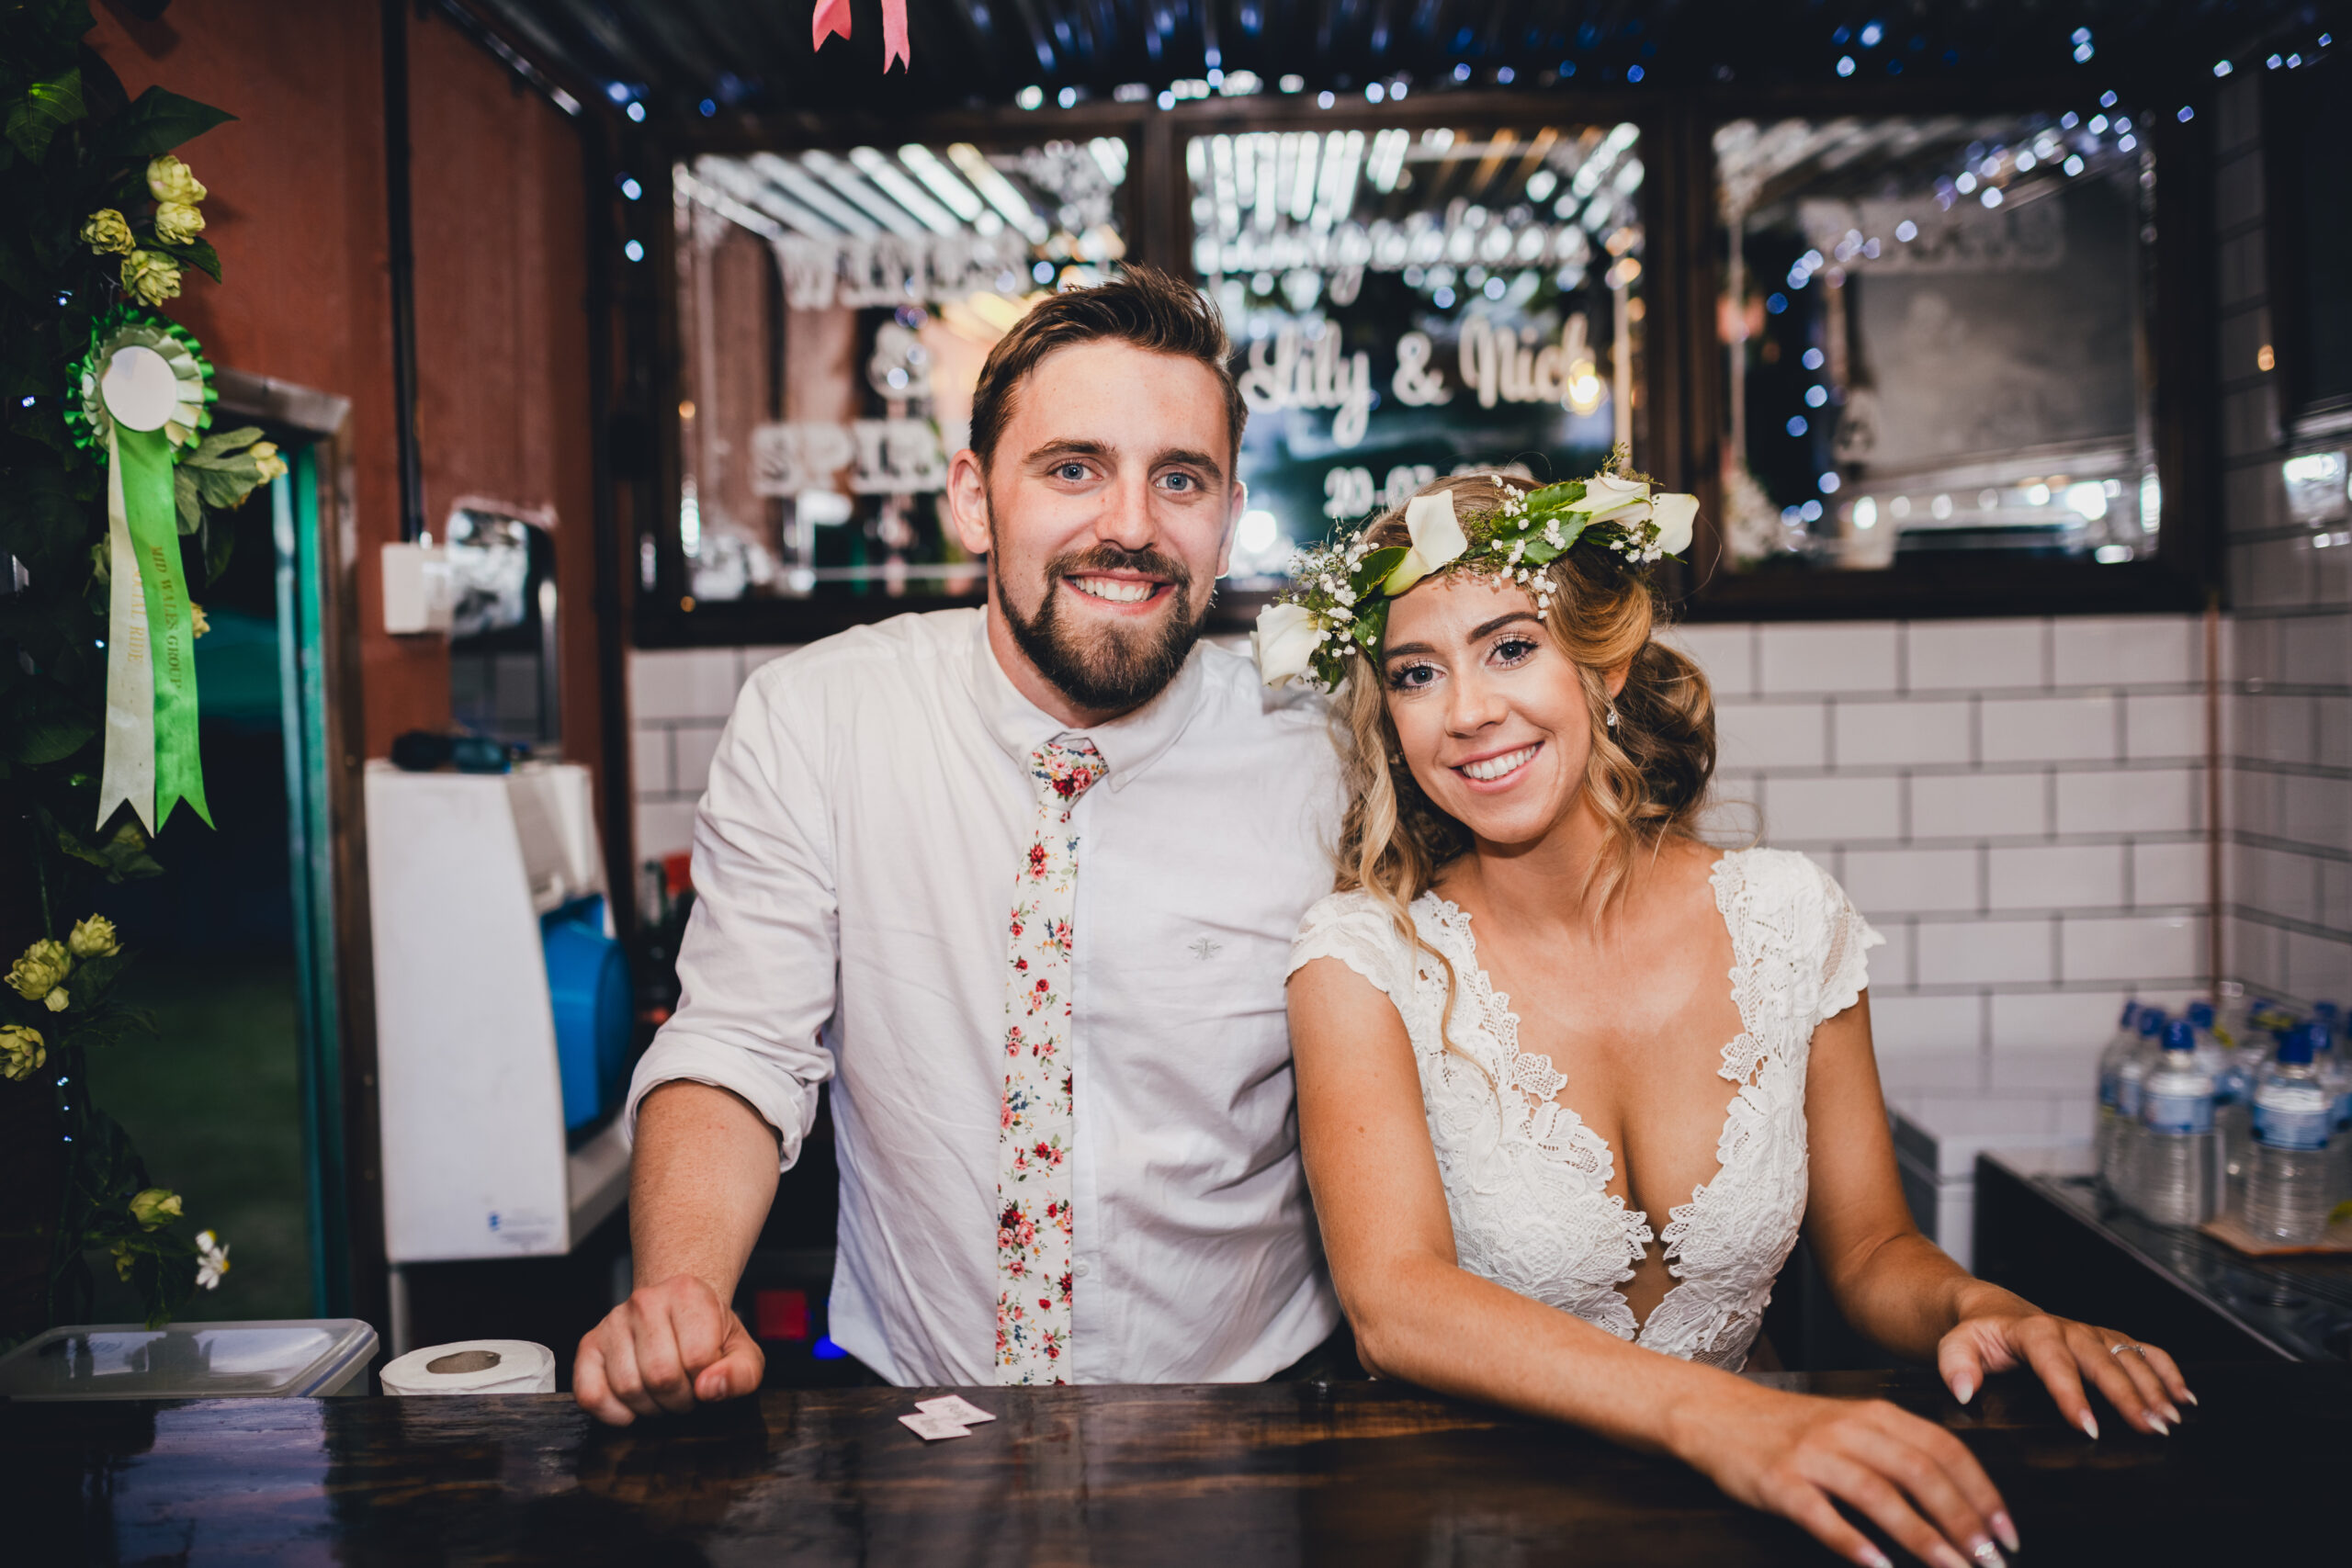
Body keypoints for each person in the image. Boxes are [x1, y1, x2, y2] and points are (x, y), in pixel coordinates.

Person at [1273, 471, 2192, 1568]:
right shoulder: (1362, 962)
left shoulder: (1788, 918)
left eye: (1510, 647)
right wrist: (1727, 1419)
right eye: (1418, 674)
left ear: (1601, 661)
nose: (1467, 711)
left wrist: (1976, 1304)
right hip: (1479, 1524)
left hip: (1757, 1512)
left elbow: (1869, 1252)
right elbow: (1396, 1306)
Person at [574, 268, 1344, 1423]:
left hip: (1254, 1415)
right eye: (1072, 468)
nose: (1130, 527)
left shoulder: (1323, 755)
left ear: (1227, 519)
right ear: (976, 500)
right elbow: (738, 1044)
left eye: (1177, 479)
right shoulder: (818, 719)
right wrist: (683, 1290)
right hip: (918, 1423)